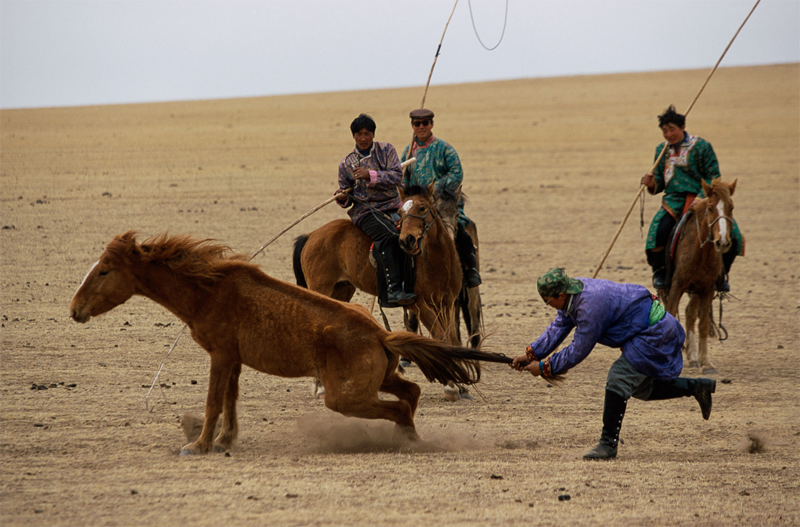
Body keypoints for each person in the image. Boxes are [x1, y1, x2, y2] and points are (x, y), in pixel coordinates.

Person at [511, 268, 717, 460]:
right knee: (639, 388)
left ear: (561, 295)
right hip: (643, 331)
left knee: (618, 378)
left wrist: (544, 367)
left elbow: (578, 350)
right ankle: (697, 387)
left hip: (655, 333)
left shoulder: (589, 307)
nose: (548, 306)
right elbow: (559, 325)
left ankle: (608, 444)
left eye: (548, 302)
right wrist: (531, 353)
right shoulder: (572, 294)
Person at [641, 105, 744, 292]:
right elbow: (660, 182)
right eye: (664, 131)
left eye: (672, 129)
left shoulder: (702, 147)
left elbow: (714, 176)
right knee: (657, 233)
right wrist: (651, 183)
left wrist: (701, 197)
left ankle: (721, 274)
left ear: (682, 127)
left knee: (734, 236)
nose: (668, 134)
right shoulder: (661, 150)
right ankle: (660, 272)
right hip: (673, 201)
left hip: (704, 199)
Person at [335, 114, 416, 307]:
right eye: (359, 134)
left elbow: (396, 176)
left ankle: (414, 283)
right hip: (366, 211)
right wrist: (342, 197)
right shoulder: (346, 164)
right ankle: (393, 290)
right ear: (353, 136)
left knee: (413, 233)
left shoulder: (386, 150)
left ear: (373, 134)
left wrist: (369, 175)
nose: (363, 138)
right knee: (390, 236)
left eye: (367, 133)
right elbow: (346, 192)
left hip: (393, 205)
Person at [400, 108, 481, 288]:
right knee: (402, 234)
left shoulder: (445, 148)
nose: (421, 127)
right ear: (412, 126)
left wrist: (436, 189)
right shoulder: (408, 152)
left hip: (443, 203)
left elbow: (456, 173)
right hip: (418, 205)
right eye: (417, 124)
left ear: (432, 124)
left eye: (425, 123)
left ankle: (470, 270)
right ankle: (402, 281)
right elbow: (402, 179)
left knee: (459, 231)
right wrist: (410, 194)